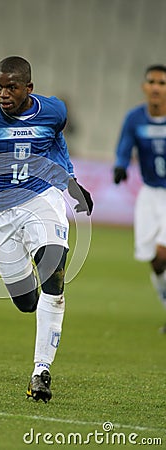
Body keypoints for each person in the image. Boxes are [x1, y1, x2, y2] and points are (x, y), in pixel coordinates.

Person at [0, 56, 93, 402]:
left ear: (29, 87)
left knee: (54, 277)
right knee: (27, 301)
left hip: (42, 199)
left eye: (11, 87)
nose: (3, 94)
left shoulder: (54, 111)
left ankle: (41, 372)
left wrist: (70, 182)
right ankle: (37, 299)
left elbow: (56, 142)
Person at [113, 64, 166, 332]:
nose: (156, 87)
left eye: (162, 83)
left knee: (163, 251)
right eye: (152, 82)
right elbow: (124, 145)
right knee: (153, 259)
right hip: (148, 193)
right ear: (145, 87)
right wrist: (120, 165)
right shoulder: (135, 118)